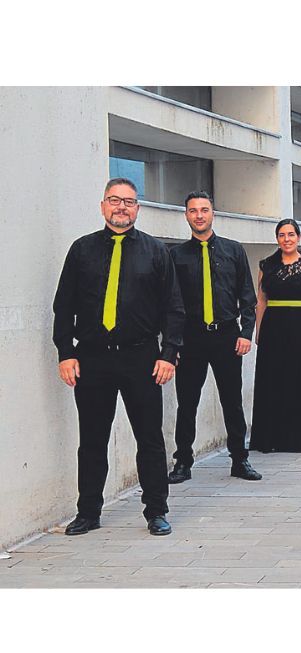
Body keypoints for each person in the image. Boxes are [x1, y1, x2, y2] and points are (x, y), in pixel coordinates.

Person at [53, 177, 184, 536]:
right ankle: (89, 512)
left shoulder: (157, 252)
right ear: (103, 206)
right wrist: (66, 353)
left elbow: (174, 307)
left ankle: (156, 511)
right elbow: (63, 306)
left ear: (137, 208)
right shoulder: (81, 250)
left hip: (141, 358)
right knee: (92, 439)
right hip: (92, 359)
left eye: (128, 201)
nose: (121, 207)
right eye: (114, 200)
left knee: (150, 439)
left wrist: (168, 354)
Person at [168, 190, 261, 485]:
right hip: (190, 339)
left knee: (232, 401)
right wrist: (172, 344)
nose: (199, 215)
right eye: (193, 210)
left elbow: (248, 297)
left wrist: (246, 332)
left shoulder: (233, 251)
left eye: (204, 210)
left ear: (212, 214)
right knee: (187, 403)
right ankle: (183, 462)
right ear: (186, 215)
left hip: (226, 336)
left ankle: (240, 459)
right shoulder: (175, 255)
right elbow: (169, 303)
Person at [250, 219, 301, 453]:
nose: (287, 239)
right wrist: (258, 330)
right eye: (282, 235)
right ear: (277, 239)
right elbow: (261, 300)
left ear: (299, 237)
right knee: (274, 380)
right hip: (274, 328)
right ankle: (273, 437)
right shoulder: (266, 265)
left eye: (291, 235)